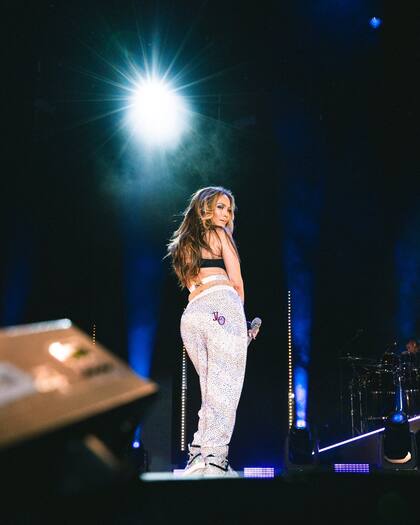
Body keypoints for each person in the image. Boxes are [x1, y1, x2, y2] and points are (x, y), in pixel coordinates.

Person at [167, 186, 256, 478]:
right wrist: (240, 324)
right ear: (205, 207)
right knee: (226, 387)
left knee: (209, 388)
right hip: (221, 305)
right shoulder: (220, 236)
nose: (226, 214)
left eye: (229, 209)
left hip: (191, 315)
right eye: (221, 207)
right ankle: (216, 458)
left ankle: (198, 456)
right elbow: (237, 282)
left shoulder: (183, 244)